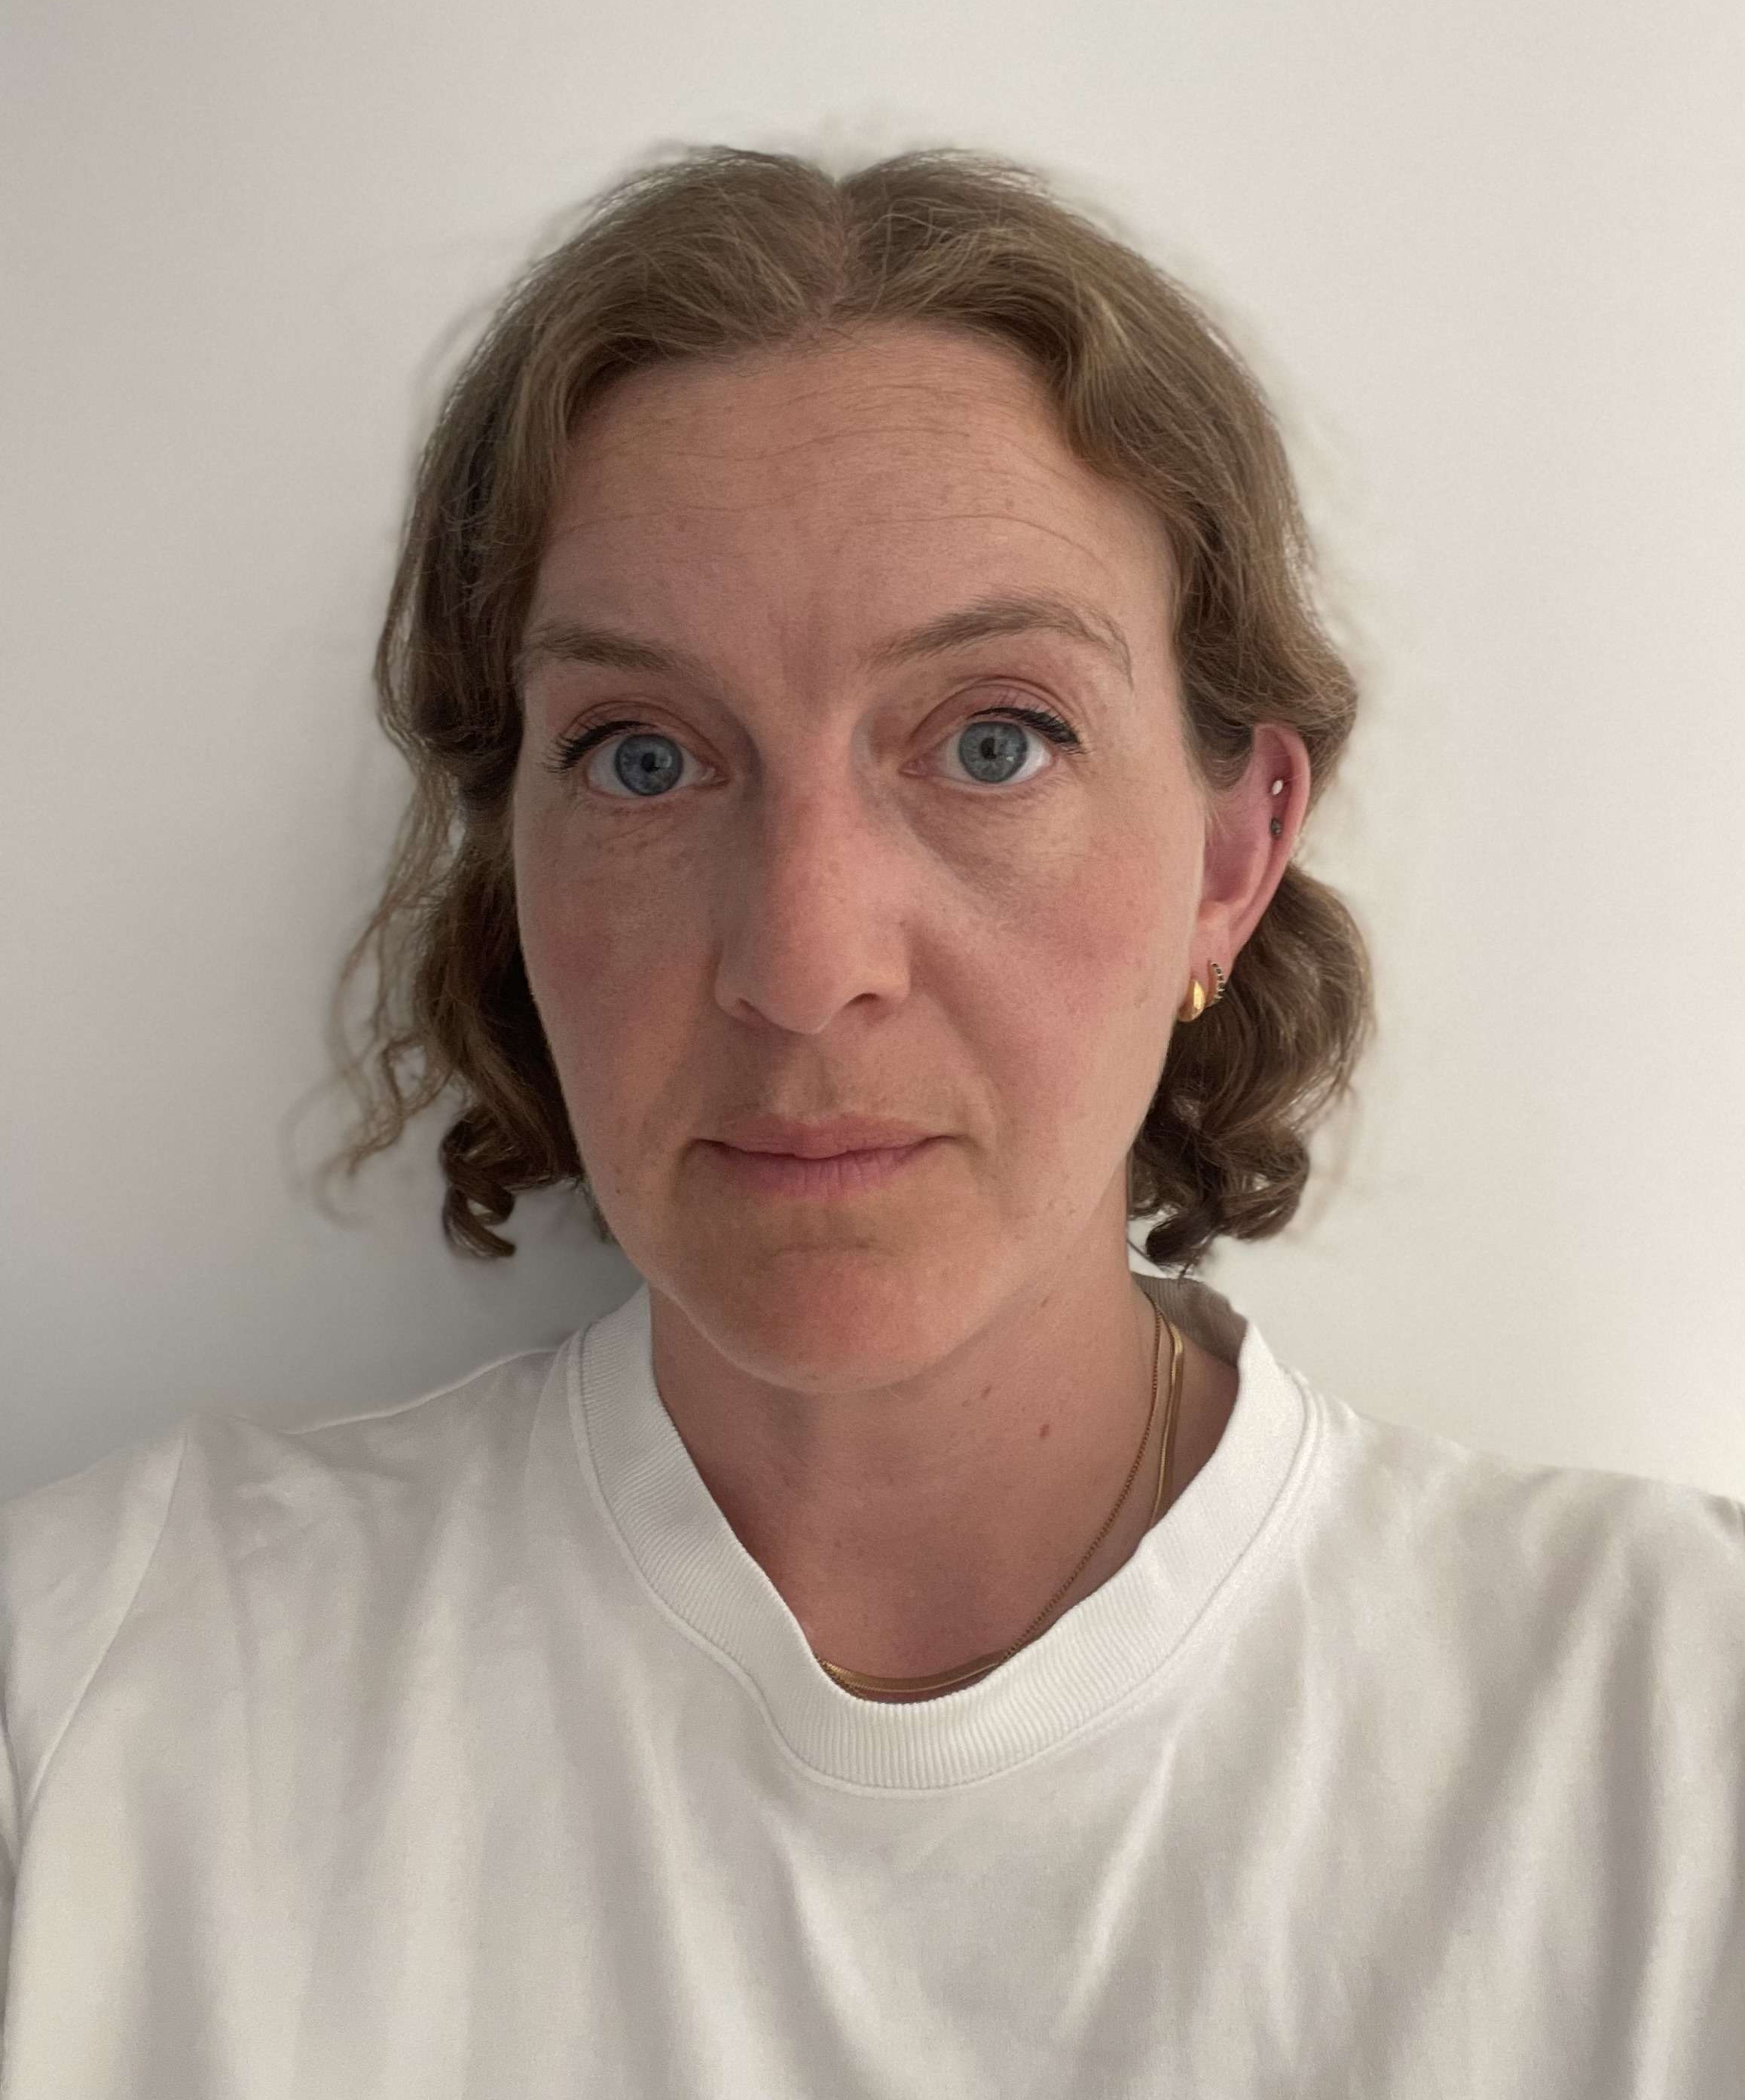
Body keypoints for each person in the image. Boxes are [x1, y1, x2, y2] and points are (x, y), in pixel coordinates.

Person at [2, 146, 1740, 2097]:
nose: (802, 960)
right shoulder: (97, 1709)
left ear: (1234, 852)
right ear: (514, 859)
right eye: (643, 756)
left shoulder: (1667, 1748)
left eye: (992, 740)